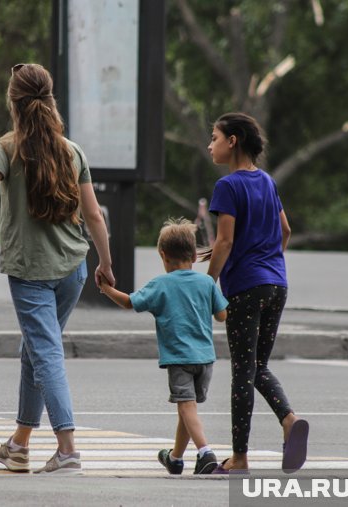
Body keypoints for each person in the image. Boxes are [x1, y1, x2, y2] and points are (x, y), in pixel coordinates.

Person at [0, 63, 114, 475]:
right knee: (34, 351)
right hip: (74, 269)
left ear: (13, 102)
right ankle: (19, 444)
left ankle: (67, 447)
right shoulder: (72, 150)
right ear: (50, 100)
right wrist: (105, 263)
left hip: (31, 273)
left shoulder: (8, 148)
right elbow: (94, 216)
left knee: (45, 351)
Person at [205, 112, 308, 473]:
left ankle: (240, 458)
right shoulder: (266, 181)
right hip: (276, 283)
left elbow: (225, 241)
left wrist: (207, 285)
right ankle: (289, 421)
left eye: (215, 138)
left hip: (246, 287)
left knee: (242, 372)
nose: (210, 145)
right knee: (256, 366)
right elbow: (285, 230)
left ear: (233, 141)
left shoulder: (228, 187)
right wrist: (267, 260)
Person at [99, 218, 228, 475]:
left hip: (179, 358)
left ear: (163, 255)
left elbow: (129, 303)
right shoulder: (205, 283)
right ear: (193, 255)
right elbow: (222, 316)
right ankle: (175, 458)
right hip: (206, 359)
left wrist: (106, 289)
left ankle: (205, 454)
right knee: (187, 408)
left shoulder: (161, 284)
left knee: (185, 405)